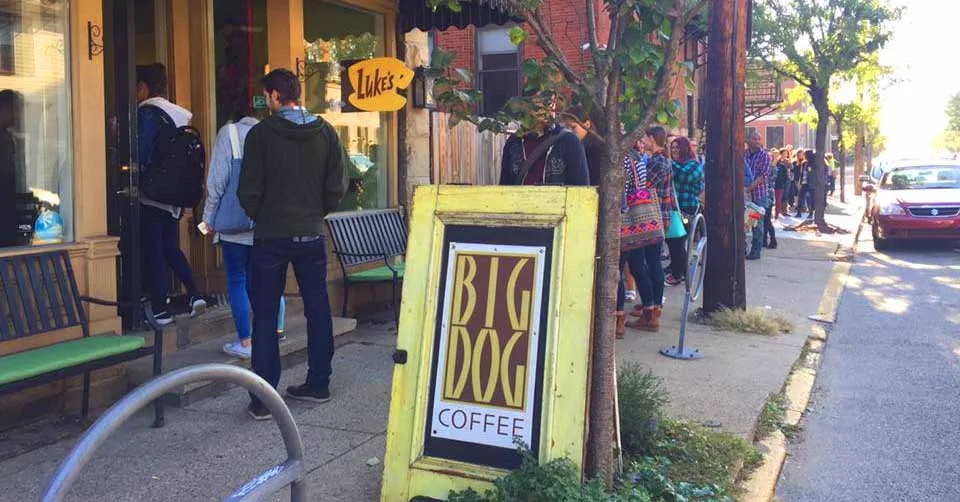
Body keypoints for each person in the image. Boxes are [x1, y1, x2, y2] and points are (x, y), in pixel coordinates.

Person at [238, 69, 346, 420]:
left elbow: (248, 190)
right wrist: (315, 213)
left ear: (274, 96)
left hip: (271, 235)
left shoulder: (261, 135)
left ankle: (264, 399)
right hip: (312, 233)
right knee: (318, 309)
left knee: (266, 314)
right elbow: (337, 187)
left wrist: (265, 215)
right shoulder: (325, 133)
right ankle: (319, 383)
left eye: (266, 95)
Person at [201, 105, 287, 360]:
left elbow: (217, 182)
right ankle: (276, 331)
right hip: (267, 224)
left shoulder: (229, 134)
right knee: (269, 280)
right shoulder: (273, 135)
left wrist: (206, 221)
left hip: (234, 225)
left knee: (237, 280)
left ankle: (246, 341)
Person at [136, 63, 205, 325]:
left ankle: (160, 308)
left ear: (143, 87)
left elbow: (141, 154)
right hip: (174, 195)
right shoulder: (178, 115)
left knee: (154, 249)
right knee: (169, 247)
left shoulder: (148, 114)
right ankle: (194, 293)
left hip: (152, 194)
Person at [626, 126, 674, 332]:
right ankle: (653, 303)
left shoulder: (657, 161)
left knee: (647, 263)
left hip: (651, 214)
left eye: (645, 137)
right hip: (658, 214)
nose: (643, 140)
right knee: (651, 262)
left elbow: (642, 185)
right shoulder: (660, 159)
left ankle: (653, 307)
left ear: (652, 139)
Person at [499, 96, 589, 186]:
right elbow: (504, 188)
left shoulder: (569, 141)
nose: (542, 108)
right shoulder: (514, 143)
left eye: (547, 102)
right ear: (525, 106)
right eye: (537, 102)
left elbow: (581, 188)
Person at [665, 136, 703, 285]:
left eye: (677, 148)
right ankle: (680, 270)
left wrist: (668, 162)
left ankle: (677, 275)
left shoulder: (693, 165)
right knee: (673, 241)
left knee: (678, 241)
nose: (674, 151)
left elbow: (683, 174)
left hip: (687, 207)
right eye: (672, 148)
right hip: (674, 207)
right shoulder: (674, 165)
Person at [744, 130, 771, 260]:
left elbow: (762, 177)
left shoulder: (764, 156)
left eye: (759, 139)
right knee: (743, 222)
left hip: (758, 195)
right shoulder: (744, 155)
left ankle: (756, 250)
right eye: (754, 139)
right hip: (744, 195)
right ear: (748, 141)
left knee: (755, 222)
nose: (757, 141)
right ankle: (742, 248)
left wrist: (748, 189)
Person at [763, 149, 779, 249]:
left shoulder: (773, 168)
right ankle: (764, 240)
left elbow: (769, 181)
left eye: (769, 157)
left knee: (767, 218)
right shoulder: (766, 167)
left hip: (768, 195)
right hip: (763, 194)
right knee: (761, 218)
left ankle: (773, 240)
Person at [774, 148, 792, 219]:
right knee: (779, 197)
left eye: (786, 153)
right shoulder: (777, 161)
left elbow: (792, 168)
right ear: (780, 153)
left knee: (785, 195)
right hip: (779, 181)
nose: (785, 155)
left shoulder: (787, 161)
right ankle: (779, 211)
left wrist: (789, 161)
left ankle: (784, 210)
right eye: (784, 153)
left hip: (787, 180)